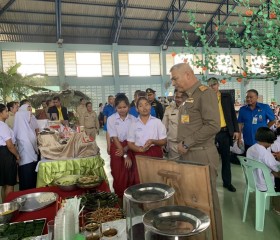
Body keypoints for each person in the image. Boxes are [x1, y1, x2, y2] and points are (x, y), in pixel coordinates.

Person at [170, 63, 222, 240]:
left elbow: (213, 125)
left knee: (208, 202)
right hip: (189, 155)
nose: (173, 82)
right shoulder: (188, 97)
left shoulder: (204, 93)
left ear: (187, 74)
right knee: (192, 199)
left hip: (201, 155)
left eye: (175, 78)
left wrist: (187, 142)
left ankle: (215, 236)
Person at [208, 77, 239, 192]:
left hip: (225, 132)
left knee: (226, 158)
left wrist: (236, 130)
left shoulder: (226, 97)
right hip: (211, 133)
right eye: (210, 85)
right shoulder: (206, 98)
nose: (212, 87)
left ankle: (227, 183)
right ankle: (210, 183)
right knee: (211, 159)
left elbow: (232, 114)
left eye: (214, 84)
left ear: (218, 84)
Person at [127, 96, 167, 185]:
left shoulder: (157, 122)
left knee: (156, 179)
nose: (144, 108)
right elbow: (130, 143)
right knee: (140, 180)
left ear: (150, 107)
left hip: (155, 154)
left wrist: (153, 141)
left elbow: (164, 141)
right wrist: (139, 149)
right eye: (140, 106)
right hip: (139, 154)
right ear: (137, 109)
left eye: (146, 104)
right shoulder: (133, 124)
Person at [107, 94, 136, 200]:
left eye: (124, 107)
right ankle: (119, 197)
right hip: (117, 147)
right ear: (115, 108)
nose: (122, 110)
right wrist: (124, 154)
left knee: (130, 172)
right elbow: (114, 137)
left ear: (128, 106)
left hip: (130, 146)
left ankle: (130, 196)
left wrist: (126, 149)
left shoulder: (133, 119)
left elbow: (133, 137)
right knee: (118, 173)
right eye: (119, 107)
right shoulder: (111, 119)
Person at [14, 104, 38, 190]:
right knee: (28, 186)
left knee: (31, 184)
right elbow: (29, 145)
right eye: (29, 112)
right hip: (27, 162)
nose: (30, 114)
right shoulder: (22, 131)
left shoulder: (26, 127)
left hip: (30, 160)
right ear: (23, 115)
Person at [0, 104, 20, 201]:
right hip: (6, 154)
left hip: (2, 154)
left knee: (4, 183)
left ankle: (4, 205)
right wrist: (17, 155)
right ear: (0, 113)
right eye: (6, 111)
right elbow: (10, 145)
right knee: (10, 183)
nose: (8, 113)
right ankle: (9, 208)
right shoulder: (3, 126)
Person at [162, 89, 187, 160]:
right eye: (177, 97)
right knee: (174, 166)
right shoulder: (169, 109)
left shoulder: (190, 108)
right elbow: (164, 127)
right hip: (173, 144)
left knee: (188, 166)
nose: (179, 100)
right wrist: (163, 143)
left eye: (181, 97)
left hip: (187, 144)